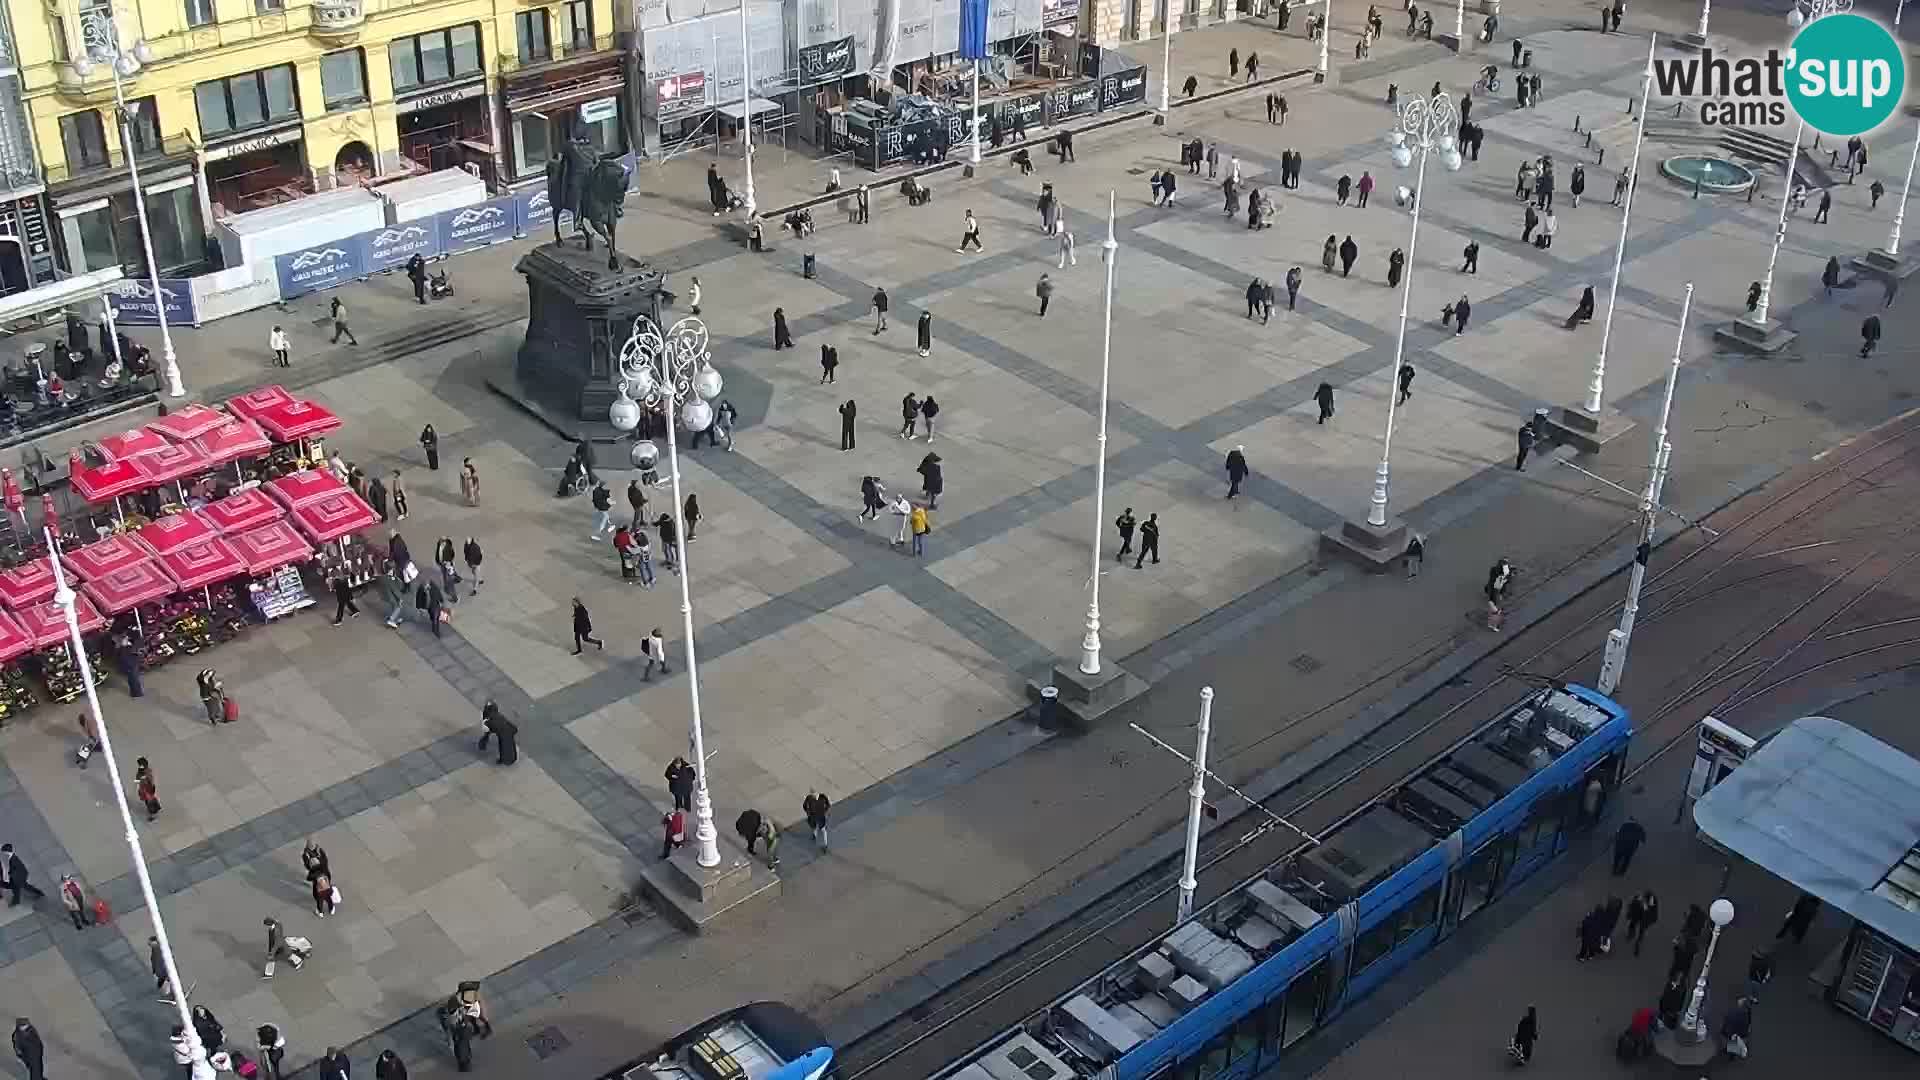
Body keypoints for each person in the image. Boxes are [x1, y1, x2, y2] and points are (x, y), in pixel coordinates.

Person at [479, 701, 518, 765]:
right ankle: (510, 759)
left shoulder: (488, 721)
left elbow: (487, 731)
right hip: (508, 730)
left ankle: (506, 760)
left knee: (504, 747)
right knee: (509, 746)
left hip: (503, 733)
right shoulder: (497, 715)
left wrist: (484, 740)